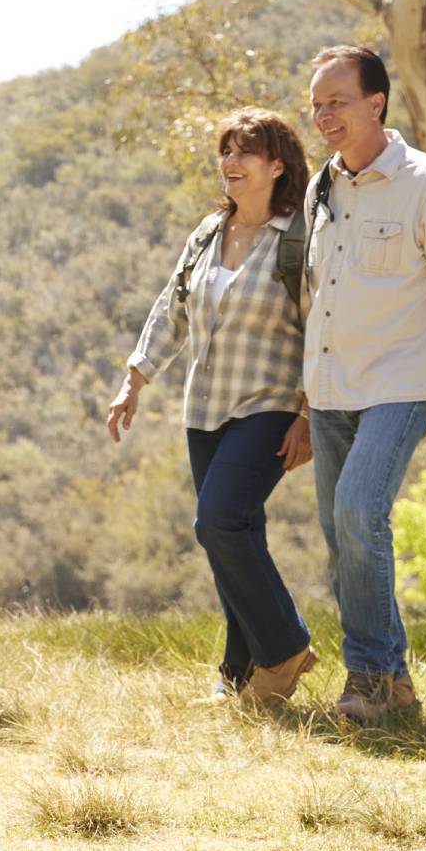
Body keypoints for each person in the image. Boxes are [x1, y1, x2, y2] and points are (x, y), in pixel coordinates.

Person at [302, 45, 426, 723]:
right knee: (340, 534)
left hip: (404, 382)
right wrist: (304, 398)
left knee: (361, 511)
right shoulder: (321, 187)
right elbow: (321, 296)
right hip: (331, 387)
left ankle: (369, 679)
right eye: (318, 104)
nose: (325, 115)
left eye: (338, 102)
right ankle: (395, 686)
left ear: (376, 103)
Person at [108, 109, 318, 704]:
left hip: (271, 404)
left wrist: (307, 415)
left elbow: (323, 329)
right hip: (205, 409)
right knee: (234, 534)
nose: (230, 163)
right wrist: (134, 380)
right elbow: (169, 310)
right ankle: (240, 675)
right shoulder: (207, 233)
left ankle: (286, 648)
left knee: (219, 521)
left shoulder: (298, 239)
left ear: (277, 165)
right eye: (225, 151)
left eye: (245, 152)